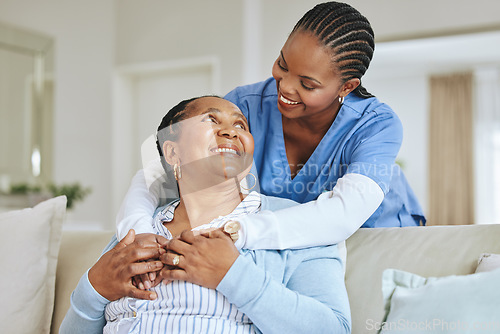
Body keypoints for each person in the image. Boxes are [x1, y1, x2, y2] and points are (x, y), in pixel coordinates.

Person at [116, 1, 425, 257]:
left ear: (347, 86)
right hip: (283, 245)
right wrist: (138, 233)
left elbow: (344, 213)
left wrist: (239, 232)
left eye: (307, 84)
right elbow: (160, 171)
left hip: (375, 238)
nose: (285, 88)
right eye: (283, 64)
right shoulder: (244, 106)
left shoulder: (376, 125)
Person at [60, 96, 350, 334]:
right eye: (212, 120)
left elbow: (334, 328)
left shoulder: (296, 221)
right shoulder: (135, 233)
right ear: (173, 153)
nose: (231, 131)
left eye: (240, 125)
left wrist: (233, 275)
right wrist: (93, 288)